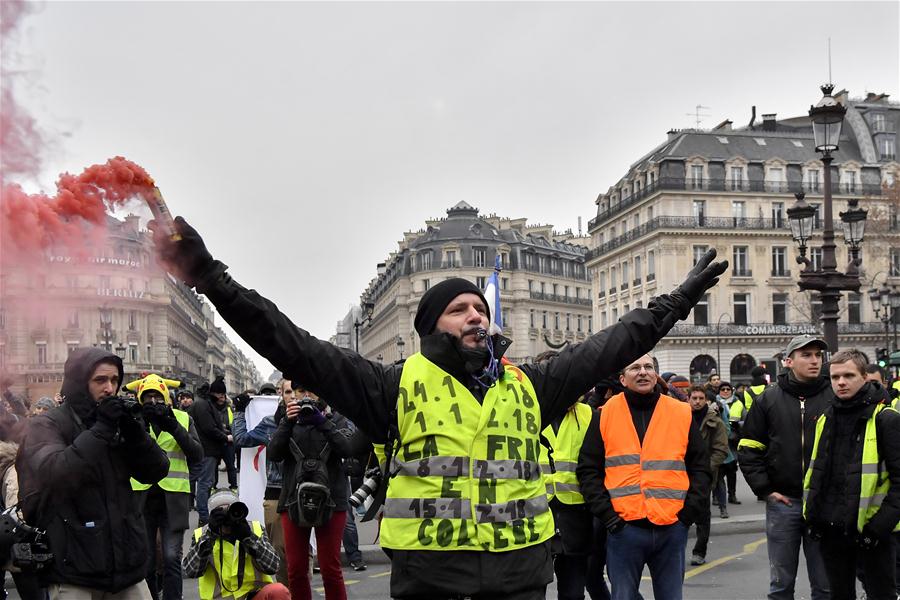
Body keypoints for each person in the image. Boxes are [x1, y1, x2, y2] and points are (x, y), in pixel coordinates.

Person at [149, 216, 726, 599]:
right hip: (431, 582)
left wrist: (676, 301)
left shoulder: (532, 384)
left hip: (522, 577)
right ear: (429, 327)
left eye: (481, 307)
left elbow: (615, 343)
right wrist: (210, 278)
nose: (477, 315)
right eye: (459, 309)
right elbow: (287, 340)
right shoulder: (389, 387)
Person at [15, 347, 169, 597]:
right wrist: (102, 429)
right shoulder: (47, 424)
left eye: (115, 380)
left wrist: (135, 433)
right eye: (100, 380)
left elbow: (156, 470)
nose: (109, 388)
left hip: (126, 566)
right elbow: (55, 473)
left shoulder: (115, 422)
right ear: (79, 382)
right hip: (74, 568)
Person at [577, 355, 711, 600]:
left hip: (672, 528)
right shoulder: (604, 415)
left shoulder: (681, 413)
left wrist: (687, 515)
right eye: (635, 368)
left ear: (655, 375)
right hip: (625, 529)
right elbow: (588, 470)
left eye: (649, 367)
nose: (643, 372)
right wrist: (609, 518)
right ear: (622, 379)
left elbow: (700, 467)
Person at [738, 334, 832, 600]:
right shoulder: (768, 399)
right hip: (784, 503)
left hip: (822, 503)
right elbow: (748, 448)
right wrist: (765, 489)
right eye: (807, 355)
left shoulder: (833, 396)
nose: (815, 361)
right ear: (789, 361)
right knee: (780, 586)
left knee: (825, 586)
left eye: (818, 355)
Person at [803, 349, 900, 600]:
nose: (841, 382)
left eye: (848, 375)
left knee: (881, 594)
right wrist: (813, 517)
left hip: (871, 531)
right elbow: (818, 472)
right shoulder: (826, 417)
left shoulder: (886, 419)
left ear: (864, 377)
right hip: (832, 528)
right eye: (835, 377)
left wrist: (877, 529)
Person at [267, 385, 368, 600]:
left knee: (330, 569)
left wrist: (323, 423)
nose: (305, 397)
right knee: (295, 570)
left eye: (310, 391)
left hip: (332, 498)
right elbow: (273, 454)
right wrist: (287, 422)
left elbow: (348, 448)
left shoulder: (337, 417)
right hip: (293, 498)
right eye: (300, 391)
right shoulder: (285, 418)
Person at [126, 374, 204, 600]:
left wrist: (172, 425)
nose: (152, 402)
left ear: (167, 398)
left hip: (174, 499)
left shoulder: (182, 418)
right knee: (147, 560)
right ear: (140, 399)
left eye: (157, 397)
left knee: (171, 557)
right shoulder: (134, 420)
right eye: (147, 397)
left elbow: (197, 454)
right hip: (142, 498)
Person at [545, 397, 608, 600]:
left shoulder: (590, 415)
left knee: (572, 594)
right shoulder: (529, 411)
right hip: (535, 515)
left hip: (576, 516)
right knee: (531, 591)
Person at [231, 381, 289, 586]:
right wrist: (239, 411)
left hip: (303, 493)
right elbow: (241, 439)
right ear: (281, 394)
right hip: (275, 493)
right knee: (280, 552)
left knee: (302, 554)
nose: (291, 396)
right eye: (287, 392)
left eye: (296, 391)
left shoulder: (312, 418)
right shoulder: (271, 422)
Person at [183, 489, 289, 600]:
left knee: (279, 591)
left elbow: (274, 566)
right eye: (220, 512)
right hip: (220, 598)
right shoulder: (202, 535)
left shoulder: (253, 529)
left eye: (230, 510)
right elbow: (191, 571)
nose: (227, 517)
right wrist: (210, 536)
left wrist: (248, 538)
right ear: (212, 515)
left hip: (253, 595)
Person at [686, 385, 728, 565]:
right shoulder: (681, 417)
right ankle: (676, 551)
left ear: (706, 400)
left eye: (701, 398)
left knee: (703, 514)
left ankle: (699, 552)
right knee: (680, 515)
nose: (697, 401)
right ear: (688, 399)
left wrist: (705, 469)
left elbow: (720, 449)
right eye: (694, 398)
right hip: (681, 473)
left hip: (704, 474)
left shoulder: (715, 421)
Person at [193, 377, 233, 526]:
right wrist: (225, 436)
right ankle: (203, 515)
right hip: (207, 449)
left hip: (208, 449)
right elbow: (208, 428)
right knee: (205, 482)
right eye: (221, 394)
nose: (222, 398)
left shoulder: (206, 404)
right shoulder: (203, 405)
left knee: (206, 482)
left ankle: (203, 513)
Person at [210, 377, 238, 491]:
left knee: (231, 465)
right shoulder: (209, 408)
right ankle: (213, 486)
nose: (221, 398)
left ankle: (234, 486)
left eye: (223, 395)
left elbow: (235, 424)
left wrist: (229, 432)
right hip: (214, 441)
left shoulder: (230, 408)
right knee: (213, 466)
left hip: (229, 442)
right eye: (219, 395)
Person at [714, 382, 740, 508]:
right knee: (717, 472)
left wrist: (738, 424)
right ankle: (716, 497)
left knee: (732, 471)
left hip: (732, 442)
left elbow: (745, 419)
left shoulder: (738, 403)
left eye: (727, 389)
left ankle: (732, 495)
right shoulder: (714, 404)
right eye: (723, 389)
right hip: (718, 443)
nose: (725, 391)